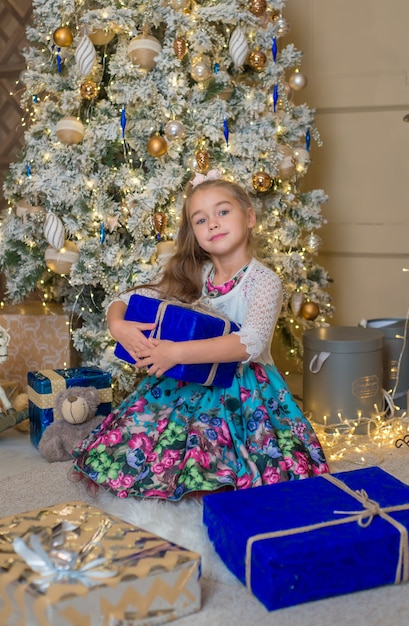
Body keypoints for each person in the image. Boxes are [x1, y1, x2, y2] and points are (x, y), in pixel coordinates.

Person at [71, 173, 329, 500]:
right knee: (138, 443)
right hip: (190, 376)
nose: (213, 224)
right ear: (193, 231)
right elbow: (125, 298)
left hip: (245, 385)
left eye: (223, 212)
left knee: (239, 460)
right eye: (201, 219)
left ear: (249, 217)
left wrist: (175, 353)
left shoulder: (264, 281)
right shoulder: (196, 273)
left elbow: (248, 344)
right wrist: (118, 326)